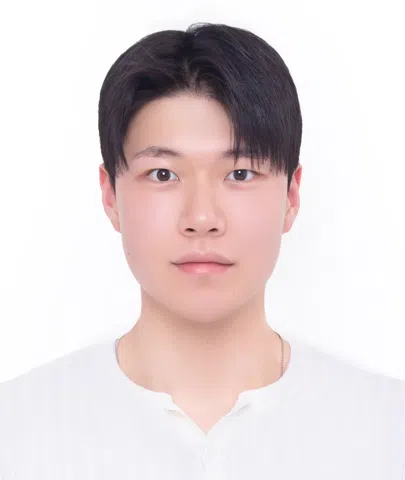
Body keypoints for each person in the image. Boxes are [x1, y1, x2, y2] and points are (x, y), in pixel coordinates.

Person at [0, 22, 404, 480]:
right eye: (163, 175)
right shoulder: (17, 432)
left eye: (240, 173)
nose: (202, 218)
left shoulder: (388, 432)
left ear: (291, 196)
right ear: (110, 195)